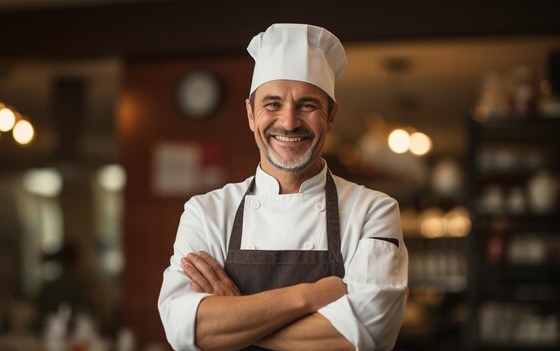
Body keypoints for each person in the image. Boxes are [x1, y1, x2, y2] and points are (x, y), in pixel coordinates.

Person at [158, 23, 408, 351]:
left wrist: (237, 318)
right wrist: (309, 297)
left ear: (331, 116)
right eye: (272, 104)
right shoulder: (206, 211)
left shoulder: (374, 210)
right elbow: (182, 329)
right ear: (250, 114)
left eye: (307, 104)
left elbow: (368, 333)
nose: (289, 122)